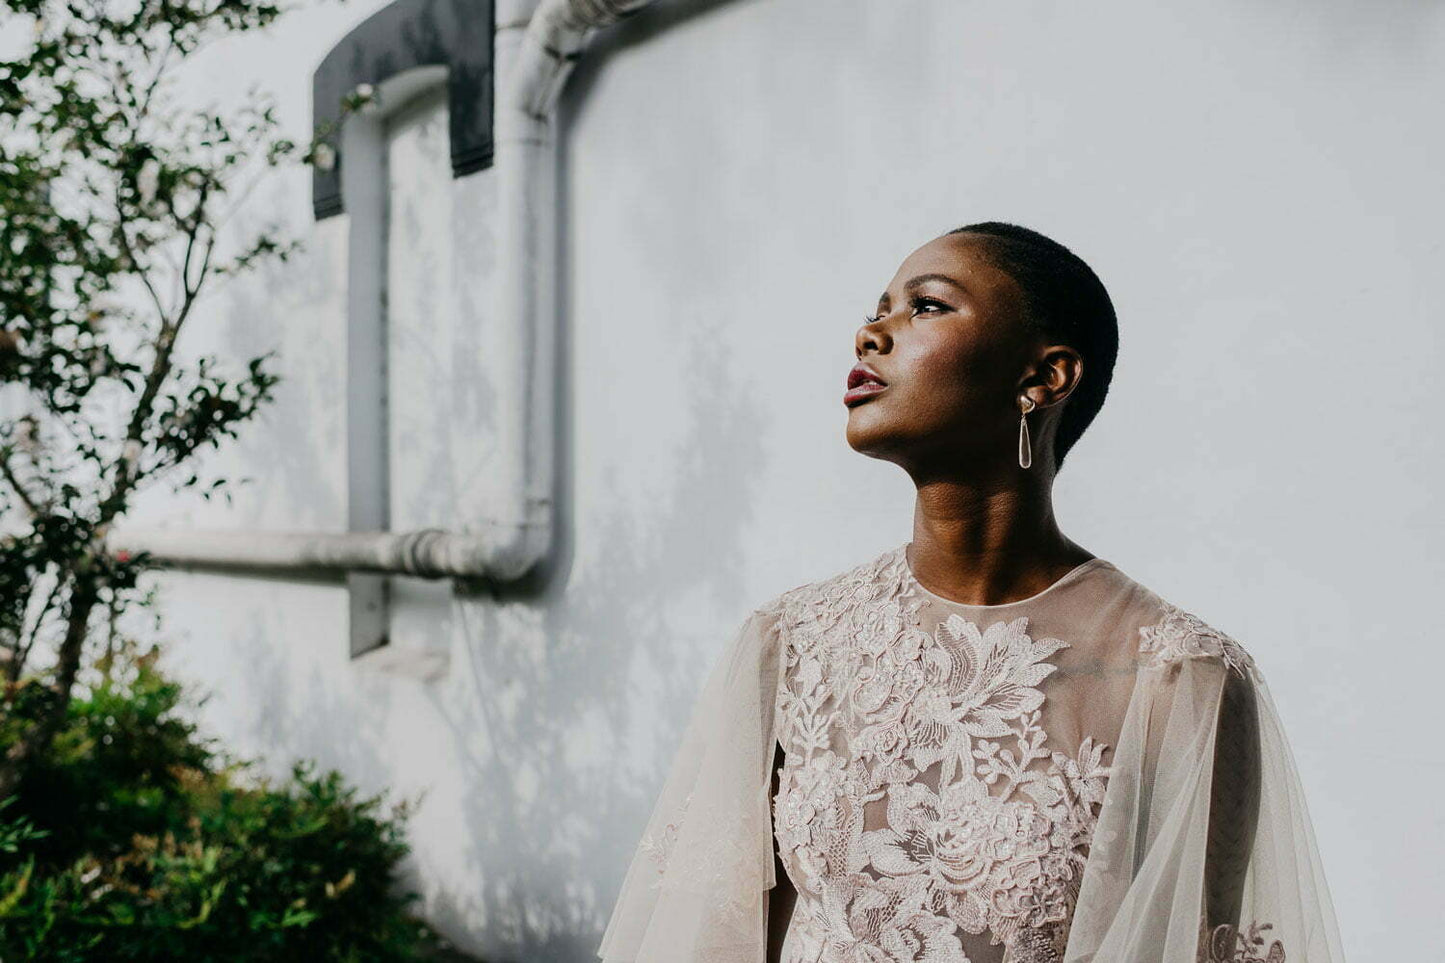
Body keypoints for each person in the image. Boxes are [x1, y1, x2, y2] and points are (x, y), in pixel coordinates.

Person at [598, 223, 1344, 963]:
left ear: (1043, 377)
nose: (870, 333)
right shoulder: (791, 643)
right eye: (877, 307)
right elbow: (713, 938)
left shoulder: (1181, 677)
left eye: (924, 306)